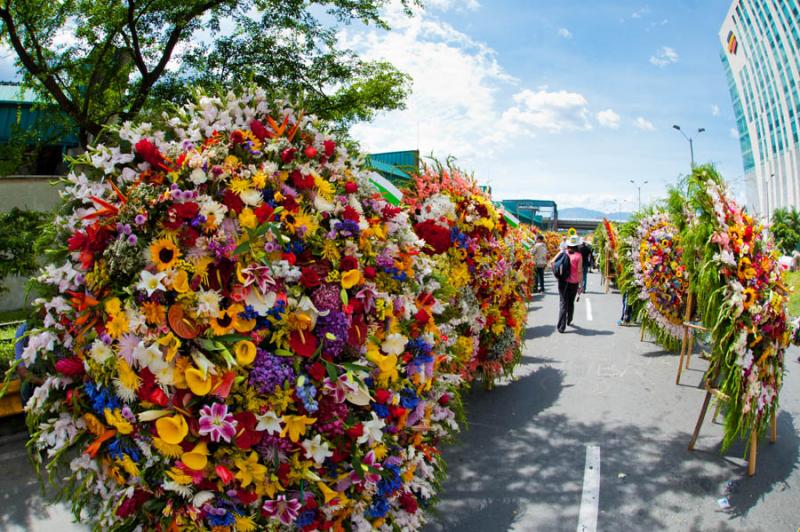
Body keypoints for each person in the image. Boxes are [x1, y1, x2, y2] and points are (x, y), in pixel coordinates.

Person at [556, 235, 584, 333]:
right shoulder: (578, 256)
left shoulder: (563, 252)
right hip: (574, 283)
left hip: (563, 282)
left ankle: (561, 327)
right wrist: (581, 285)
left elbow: (552, 262)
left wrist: (558, 276)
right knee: (570, 302)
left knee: (563, 303)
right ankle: (569, 320)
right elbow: (580, 271)